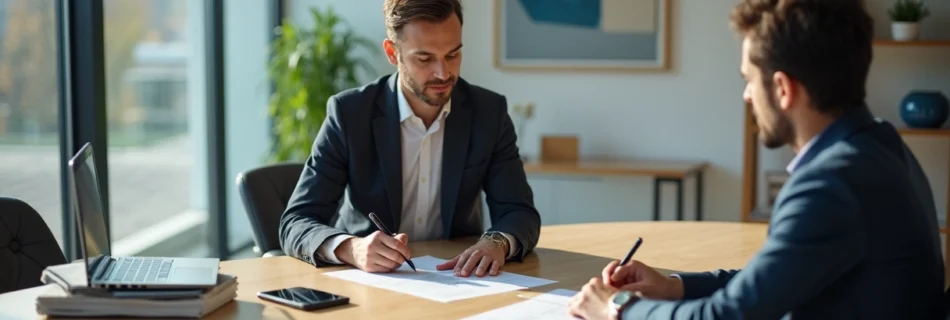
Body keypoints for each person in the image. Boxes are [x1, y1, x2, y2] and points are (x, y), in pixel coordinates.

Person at [567, 0, 946, 319]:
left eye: (749, 79)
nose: (747, 96)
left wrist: (618, 307)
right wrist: (672, 286)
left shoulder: (830, 184)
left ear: (782, 89)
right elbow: (772, 280)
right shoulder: (882, 143)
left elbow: (729, 316)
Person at [278, 0, 541, 278]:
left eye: (452, 55)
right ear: (393, 53)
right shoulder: (349, 113)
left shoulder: (488, 112)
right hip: (370, 282)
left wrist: (496, 243)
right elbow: (296, 222)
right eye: (425, 58)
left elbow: (519, 211)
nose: (443, 73)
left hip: (460, 278)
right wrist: (351, 248)